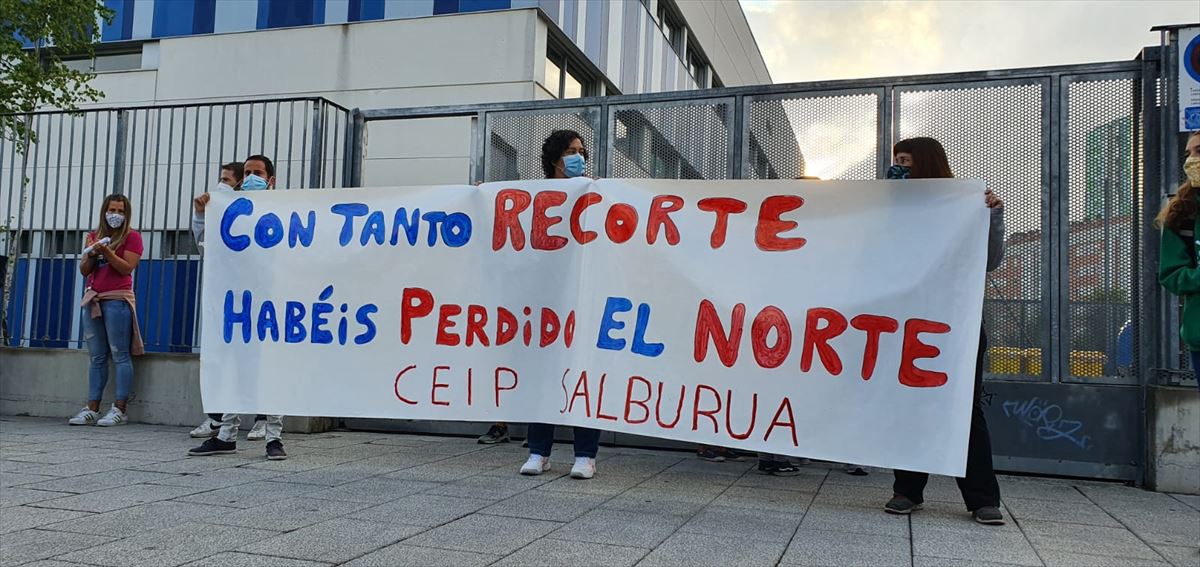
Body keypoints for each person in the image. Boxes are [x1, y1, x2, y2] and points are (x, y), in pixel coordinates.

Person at [881, 137, 1007, 526]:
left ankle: (983, 499)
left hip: (956, 323)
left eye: (906, 161)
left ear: (927, 164)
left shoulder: (967, 205)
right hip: (907, 322)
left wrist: (992, 216)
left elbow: (989, 261)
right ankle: (907, 490)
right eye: (896, 162)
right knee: (909, 404)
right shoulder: (888, 209)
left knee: (965, 410)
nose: (899, 168)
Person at [188, 155, 287, 461]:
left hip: (270, 305)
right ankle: (226, 435)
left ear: (270, 180)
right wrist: (202, 215)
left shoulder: (284, 211)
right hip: (237, 305)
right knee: (232, 370)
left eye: (257, 173)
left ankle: (274, 437)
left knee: (270, 371)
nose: (251, 178)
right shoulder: (232, 213)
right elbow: (208, 246)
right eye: (247, 173)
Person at [519, 130, 601, 479]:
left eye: (581, 151)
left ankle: (586, 455)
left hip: (582, 296)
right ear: (554, 159)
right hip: (543, 299)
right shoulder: (533, 195)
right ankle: (539, 452)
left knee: (583, 372)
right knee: (543, 377)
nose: (578, 157)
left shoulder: (595, 191)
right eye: (570, 151)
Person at [69, 194, 145, 427]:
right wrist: (92, 253)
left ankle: (120, 408)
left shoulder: (132, 237)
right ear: (104, 211)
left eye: (120, 211)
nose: (115, 215)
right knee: (97, 357)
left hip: (117, 300)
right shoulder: (94, 236)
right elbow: (84, 269)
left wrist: (108, 253)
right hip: (93, 299)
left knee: (120, 354)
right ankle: (92, 407)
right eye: (112, 210)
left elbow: (127, 268)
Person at [1157, 130, 1200, 391]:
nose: (1191, 160)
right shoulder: (1181, 213)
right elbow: (1171, 275)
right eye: (1189, 153)